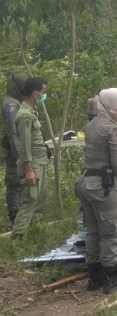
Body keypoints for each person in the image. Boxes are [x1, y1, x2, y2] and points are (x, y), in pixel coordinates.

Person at [75, 88, 117, 294]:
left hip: (85, 182)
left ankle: (94, 276)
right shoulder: (110, 128)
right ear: (108, 105)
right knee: (110, 231)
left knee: (93, 231)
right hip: (102, 186)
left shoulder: (91, 124)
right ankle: (111, 278)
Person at [12, 77, 49, 238]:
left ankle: (35, 235)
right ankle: (18, 237)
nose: (43, 96)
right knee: (30, 200)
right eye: (43, 92)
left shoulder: (32, 112)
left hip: (40, 161)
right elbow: (25, 145)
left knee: (39, 200)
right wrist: (29, 170)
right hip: (32, 164)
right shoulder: (25, 115)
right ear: (35, 93)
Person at [1, 74, 27, 225]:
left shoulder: (17, 102)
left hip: (16, 147)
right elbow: (13, 133)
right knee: (14, 182)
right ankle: (15, 216)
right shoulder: (11, 105)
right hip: (13, 150)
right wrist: (20, 155)